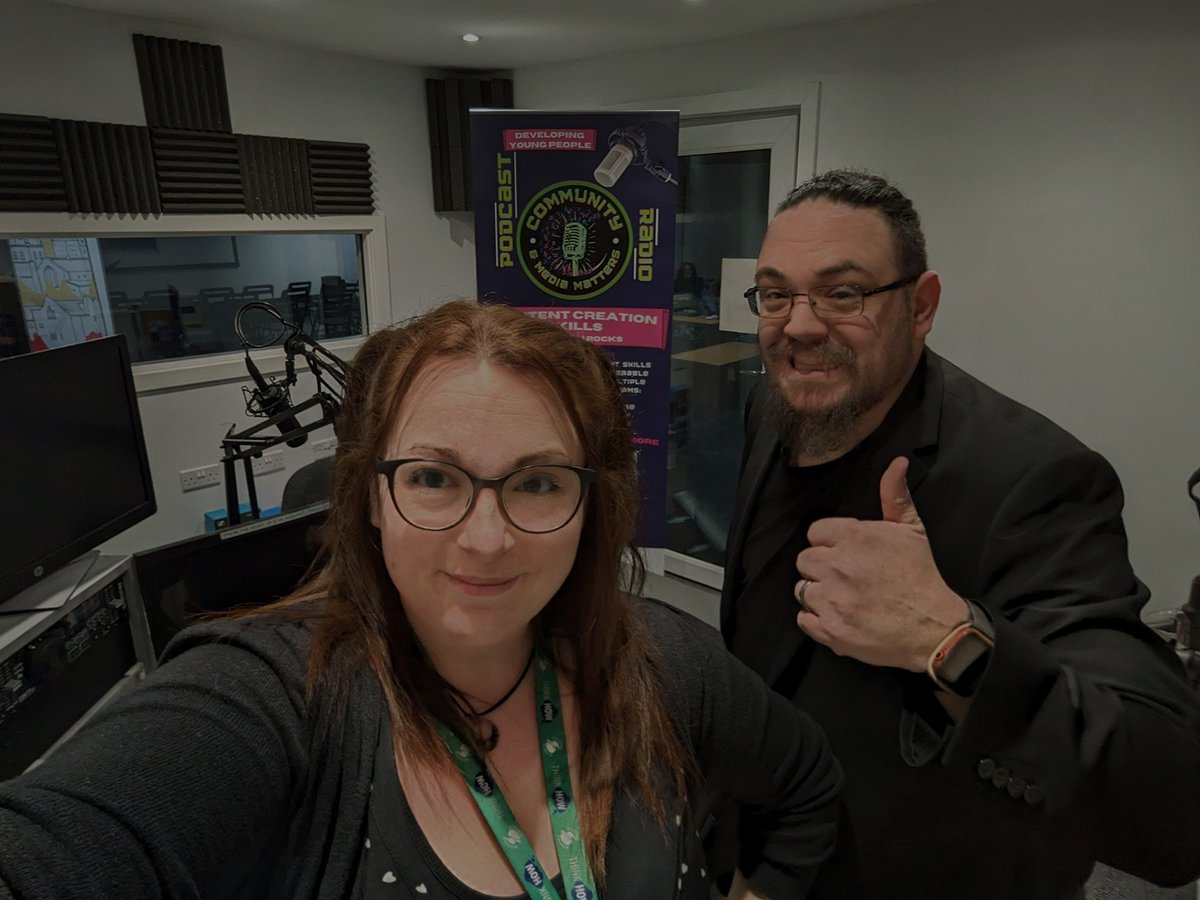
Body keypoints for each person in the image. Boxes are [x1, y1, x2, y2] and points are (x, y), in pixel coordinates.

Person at [0, 299, 842, 899]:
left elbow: (808, 786)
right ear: (368, 495)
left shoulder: (662, 658)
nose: (485, 538)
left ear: (593, 504)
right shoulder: (268, 700)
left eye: (539, 482)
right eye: (434, 477)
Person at [720, 169, 1200, 899]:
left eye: (843, 293)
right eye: (777, 293)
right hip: (771, 856)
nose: (800, 324)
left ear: (921, 306)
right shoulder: (779, 405)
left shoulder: (1036, 480)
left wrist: (950, 643)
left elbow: (1171, 811)